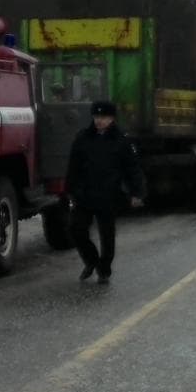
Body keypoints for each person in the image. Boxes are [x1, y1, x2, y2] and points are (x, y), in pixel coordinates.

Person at [67, 100, 146, 283]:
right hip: (85, 194)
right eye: (96, 117)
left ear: (112, 118)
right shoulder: (83, 138)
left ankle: (104, 269)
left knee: (107, 235)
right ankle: (91, 260)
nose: (99, 121)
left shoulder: (122, 140)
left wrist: (137, 193)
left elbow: (132, 169)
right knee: (76, 229)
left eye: (103, 117)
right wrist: (70, 191)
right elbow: (73, 167)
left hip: (109, 195)